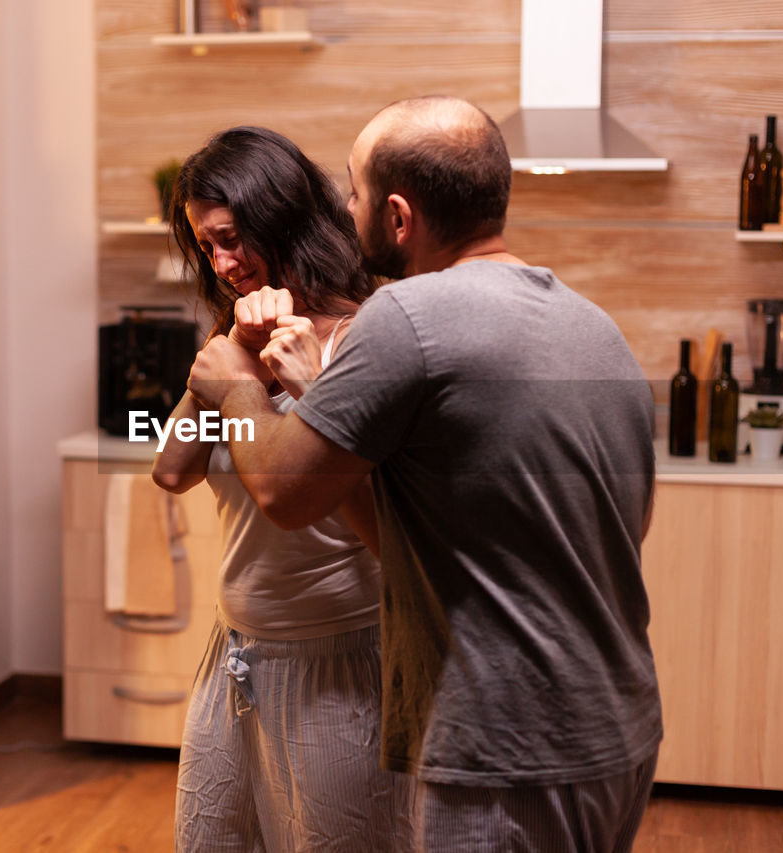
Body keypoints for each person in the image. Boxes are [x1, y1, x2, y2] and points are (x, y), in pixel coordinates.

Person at [187, 96, 662, 852]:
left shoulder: (404, 317)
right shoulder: (592, 324)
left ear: (399, 216)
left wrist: (234, 381)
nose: (345, 210)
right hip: (619, 728)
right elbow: (624, 518)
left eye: (355, 192)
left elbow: (282, 489)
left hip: (507, 742)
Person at [152, 125, 412, 853]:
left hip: (342, 663)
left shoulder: (363, 336)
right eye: (207, 246)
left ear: (281, 217)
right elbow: (172, 469)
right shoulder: (236, 340)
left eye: (234, 237)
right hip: (234, 654)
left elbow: (390, 525)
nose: (224, 262)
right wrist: (235, 361)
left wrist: (265, 387)